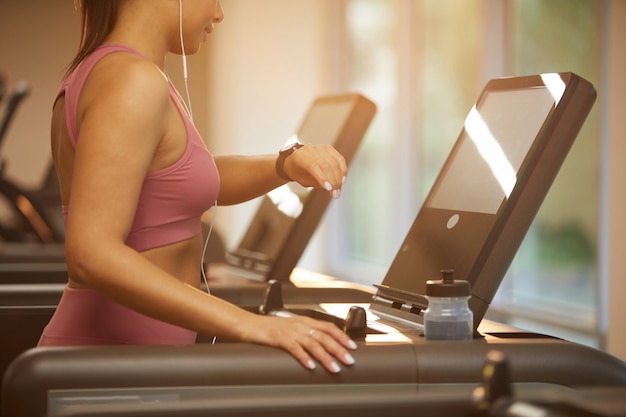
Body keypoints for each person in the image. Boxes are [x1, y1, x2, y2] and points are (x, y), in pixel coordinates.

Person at [39, 0, 357, 374]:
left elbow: (181, 180)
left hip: (131, 360)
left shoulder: (119, 73)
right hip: (107, 366)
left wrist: (285, 164)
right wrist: (252, 325)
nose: (219, 14)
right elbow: (90, 252)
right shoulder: (132, 81)